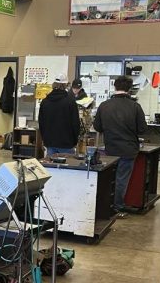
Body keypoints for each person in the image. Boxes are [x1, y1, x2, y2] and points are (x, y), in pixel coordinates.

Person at [93, 76, 148, 216]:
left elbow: (97, 126)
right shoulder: (135, 106)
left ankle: (105, 205)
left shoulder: (104, 105)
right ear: (129, 89)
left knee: (108, 177)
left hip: (110, 149)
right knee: (122, 178)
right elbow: (142, 128)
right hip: (128, 149)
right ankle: (117, 206)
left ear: (114, 87)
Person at [38, 74, 81, 156]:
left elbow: (41, 123)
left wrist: (45, 140)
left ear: (54, 83)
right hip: (67, 143)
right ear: (65, 85)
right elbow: (75, 124)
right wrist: (75, 141)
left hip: (50, 143)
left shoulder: (45, 102)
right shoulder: (70, 102)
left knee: (51, 167)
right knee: (66, 167)